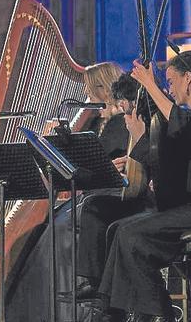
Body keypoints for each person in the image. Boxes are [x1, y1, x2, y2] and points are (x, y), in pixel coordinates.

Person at [97, 46, 191, 321]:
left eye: (172, 82)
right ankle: (112, 310)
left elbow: (183, 124)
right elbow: (167, 164)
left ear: (188, 78)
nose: (170, 89)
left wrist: (150, 85)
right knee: (119, 230)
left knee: (132, 236)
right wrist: (141, 140)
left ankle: (158, 314)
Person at [69, 73, 158, 301]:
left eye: (123, 105)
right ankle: (101, 292)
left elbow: (158, 165)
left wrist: (137, 144)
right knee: (94, 208)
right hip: (138, 195)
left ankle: (105, 295)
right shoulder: (124, 121)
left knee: (100, 214)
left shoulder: (144, 121)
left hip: (154, 201)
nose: (121, 110)